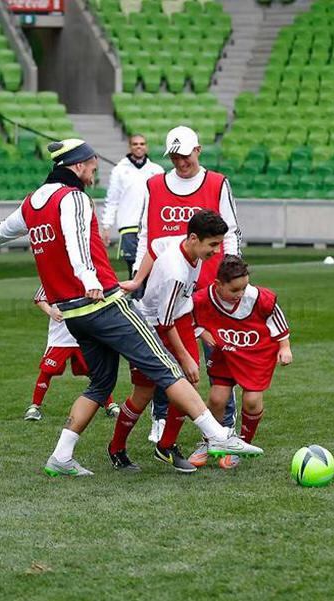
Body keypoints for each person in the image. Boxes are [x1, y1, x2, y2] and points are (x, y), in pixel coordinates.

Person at [0, 138, 261, 477]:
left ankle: (61, 457)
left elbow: (1, 234)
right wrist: (89, 278)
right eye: (92, 165)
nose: (94, 171)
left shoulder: (32, 203)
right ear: (77, 165)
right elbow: (75, 240)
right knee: (165, 366)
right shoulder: (73, 198)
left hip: (72, 313)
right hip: (100, 302)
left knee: (100, 385)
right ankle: (218, 435)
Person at [134, 125, 242, 443]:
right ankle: (161, 417)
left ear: (198, 150)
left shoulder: (217, 183)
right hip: (166, 287)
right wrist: (139, 277)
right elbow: (146, 234)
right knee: (164, 356)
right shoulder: (154, 184)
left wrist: (231, 274)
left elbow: (232, 231)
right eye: (175, 157)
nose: (181, 162)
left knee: (217, 354)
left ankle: (225, 423)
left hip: (209, 289)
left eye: (186, 155)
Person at [112, 210, 228, 473]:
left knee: (189, 385)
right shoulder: (175, 272)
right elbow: (165, 323)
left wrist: (137, 280)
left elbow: (154, 247)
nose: (216, 251)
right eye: (213, 244)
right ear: (194, 238)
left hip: (180, 319)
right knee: (143, 394)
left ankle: (166, 446)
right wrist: (184, 358)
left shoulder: (182, 243)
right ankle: (116, 447)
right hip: (153, 326)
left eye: (219, 244)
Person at [191, 256, 292, 469]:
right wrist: (201, 331)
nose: (241, 294)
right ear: (218, 284)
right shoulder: (203, 298)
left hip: (256, 353)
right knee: (217, 399)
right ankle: (210, 441)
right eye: (235, 290)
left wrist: (285, 347)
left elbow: (277, 320)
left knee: (252, 400)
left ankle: (241, 443)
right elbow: (186, 316)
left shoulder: (259, 298)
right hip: (226, 353)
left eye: (244, 287)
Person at [26, 286, 120, 421]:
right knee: (47, 370)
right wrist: (51, 311)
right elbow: (39, 298)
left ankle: (110, 405)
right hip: (60, 338)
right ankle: (34, 406)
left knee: (95, 371)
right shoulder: (53, 276)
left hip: (84, 335)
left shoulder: (88, 276)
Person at [100, 134, 164, 276]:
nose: (139, 146)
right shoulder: (119, 170)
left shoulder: (157, 170)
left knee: (152, 267)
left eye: (142, 144)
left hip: (150, 225)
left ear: (146, 146)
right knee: (133, 267)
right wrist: (106, 226)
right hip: (128, 225)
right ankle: (135, 290)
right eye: (135, 144)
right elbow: (112, 199)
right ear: (129, 147)